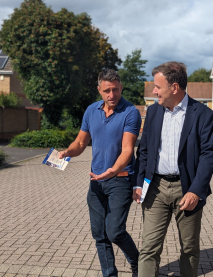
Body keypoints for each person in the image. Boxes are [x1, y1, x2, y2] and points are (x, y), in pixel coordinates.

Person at [133, 61, 213, 277]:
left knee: (189, 249)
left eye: (157, 86)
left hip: (187, 189)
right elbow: (143, 151)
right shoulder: (153, 113)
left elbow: (209, 155)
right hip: (155, 189)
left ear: (174, 87)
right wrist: (138, 183)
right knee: (148, 248)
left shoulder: (202, 115)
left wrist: (196, 191)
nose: (153, 91)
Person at [59, 69, 141, 277]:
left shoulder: (130, 112)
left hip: (120, 180)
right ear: (99, 90)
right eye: (107, 91)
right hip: (96, 182)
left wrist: (113, 170)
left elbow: (127, 149)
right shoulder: (91, 111)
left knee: (115, 231)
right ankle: (109, 274)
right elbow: (80, 142)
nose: (111, 95)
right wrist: (67, 152)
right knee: (99, 234)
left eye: (115, 90)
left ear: (121, 87)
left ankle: (138, 263)